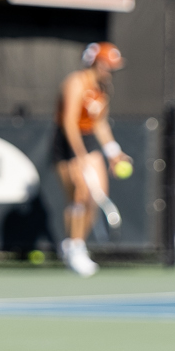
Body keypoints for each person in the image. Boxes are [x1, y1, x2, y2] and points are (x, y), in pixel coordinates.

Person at [53, 42, 131, 278]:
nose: (112, 72)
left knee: (96, 197)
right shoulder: (75, 83)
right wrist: (79, 156)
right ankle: (73, 247)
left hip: (88, 141)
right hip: (67, 142)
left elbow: (99, 123)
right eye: (109, 66)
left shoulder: (104, 88)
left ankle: (76, 244)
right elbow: (68, 122)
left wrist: (113, 152)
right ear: (97, 63)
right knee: (79, 194)